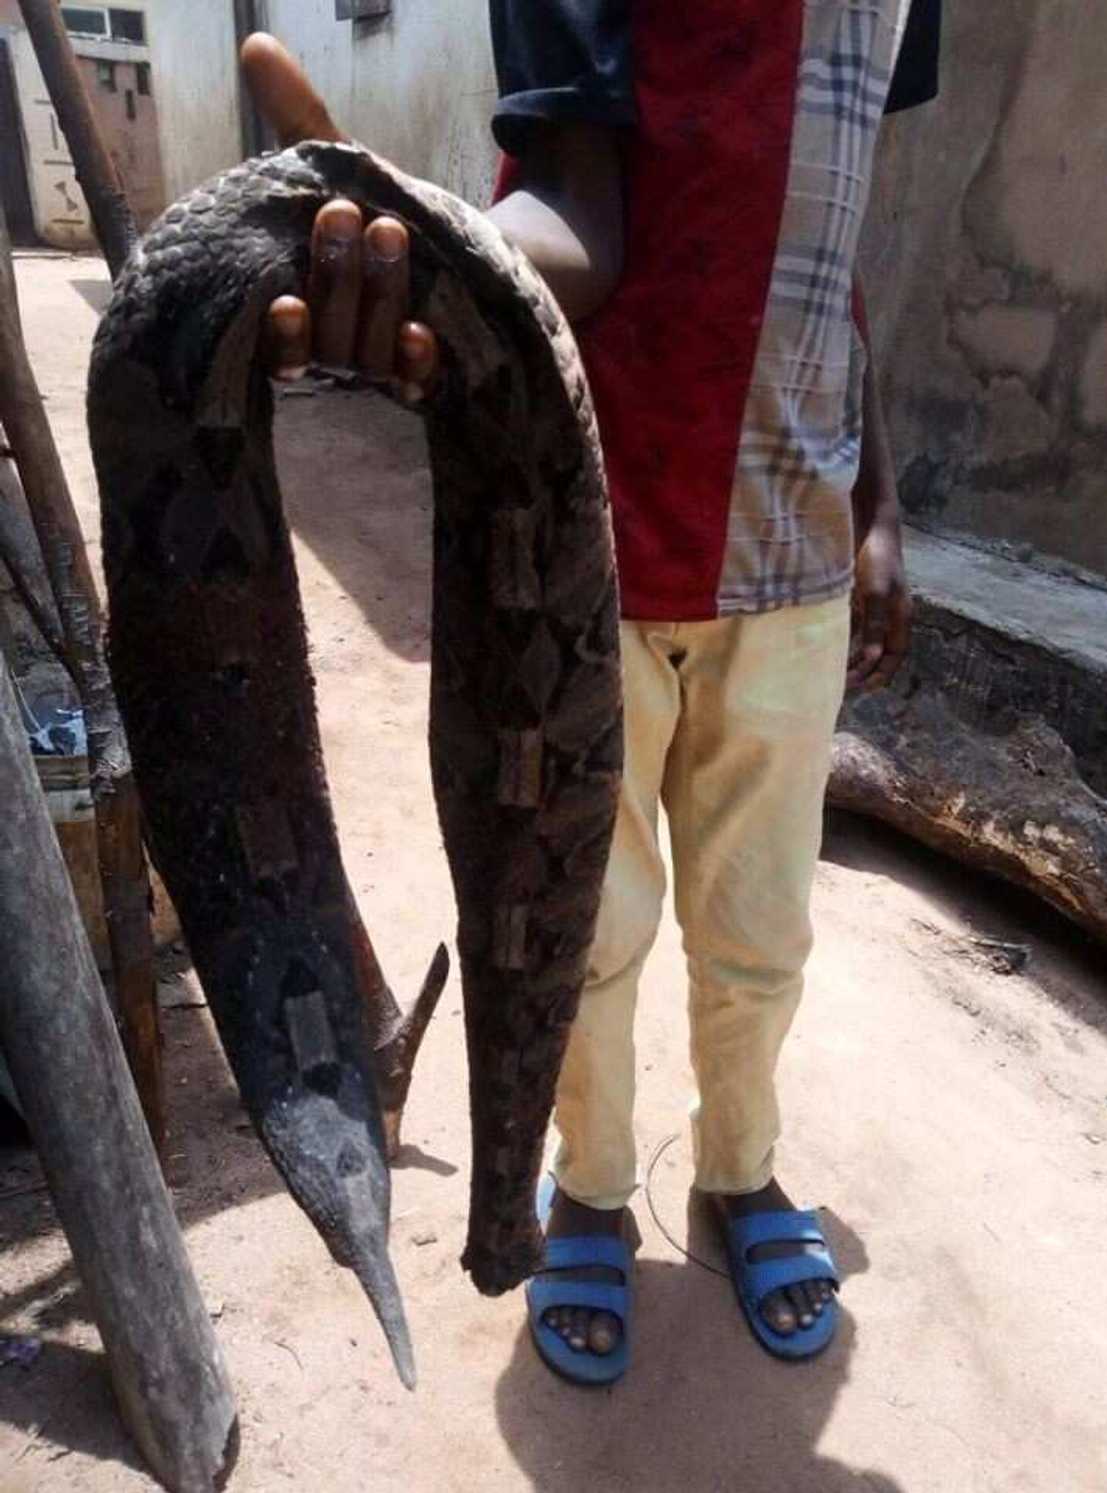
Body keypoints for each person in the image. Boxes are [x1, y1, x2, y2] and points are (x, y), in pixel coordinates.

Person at [241, 0, 941, 1384]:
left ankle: (742, 1170)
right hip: (574, 560)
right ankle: (598, 1184)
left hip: (789, 555)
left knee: (762, 933)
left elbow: (830, 239)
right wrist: (439, 263)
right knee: (585, 932)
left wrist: (879, 495)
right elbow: (578, 217)